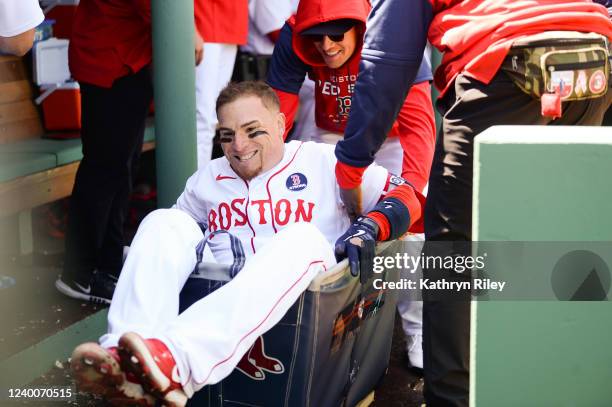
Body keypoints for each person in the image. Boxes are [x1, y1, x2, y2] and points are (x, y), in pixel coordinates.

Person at [69, 81, 425, 407]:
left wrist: (372, 226)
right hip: (225, 285)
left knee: (301, 237)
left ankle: (177, 360)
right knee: (162, 221)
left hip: (306, 296)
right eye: (226, 136)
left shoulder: (323, 159)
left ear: (281, 123)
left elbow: (408, 196)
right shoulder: (207, 178)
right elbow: (171, 240)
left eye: (253, 131)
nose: (238, 146)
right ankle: (125, 361)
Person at [332, 1, 612, 405]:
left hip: (503, 70)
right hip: (587, 67)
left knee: (454, 255)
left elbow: (386, 60)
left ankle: (451, 399)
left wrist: (352, 162)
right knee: (548, 239)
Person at [266, 0, 436, 369]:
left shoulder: (392, 34)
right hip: (330, 134)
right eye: (316, 36)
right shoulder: (292, 35)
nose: (325, 45)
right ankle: (322, 326)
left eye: (335, 34)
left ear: (358, 26)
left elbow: (419, 128)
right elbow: (275, 119)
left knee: (411, 233)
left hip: (391, 138)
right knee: (317, 219)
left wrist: (410, 195)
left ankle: (418, 332)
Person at [55, 0, 201, 305]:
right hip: (110, 63)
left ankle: (105, 266)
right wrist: (191, 33)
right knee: (105, 169)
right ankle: (78, 273)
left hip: (124, 60)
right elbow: (154, 8)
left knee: (122, 167)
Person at [194, 0, 248, 168]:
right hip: (202, 17)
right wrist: (189, 27)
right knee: (201, 118)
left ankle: (201, 182)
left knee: (213, 118)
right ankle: (193, 186)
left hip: (231, 19)